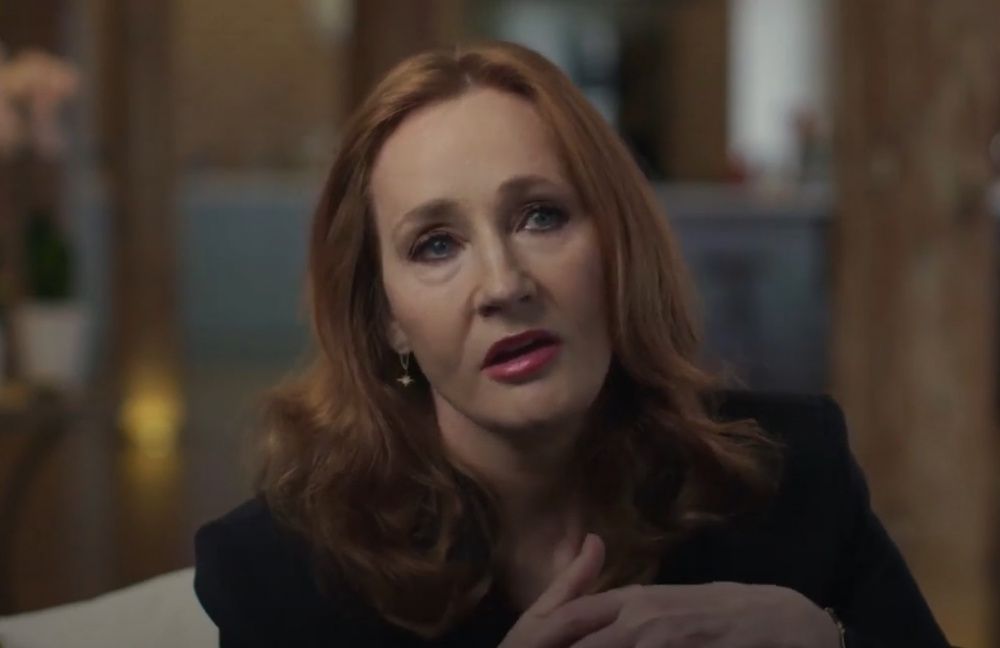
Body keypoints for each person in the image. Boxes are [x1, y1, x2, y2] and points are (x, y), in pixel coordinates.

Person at [193, 41, 951, 647]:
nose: (503, 284)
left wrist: (828, 641)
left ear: (616, 247)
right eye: (435, 245)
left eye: (541, 217)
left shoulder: (794, 478)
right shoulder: (280, 577)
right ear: (386, 317)